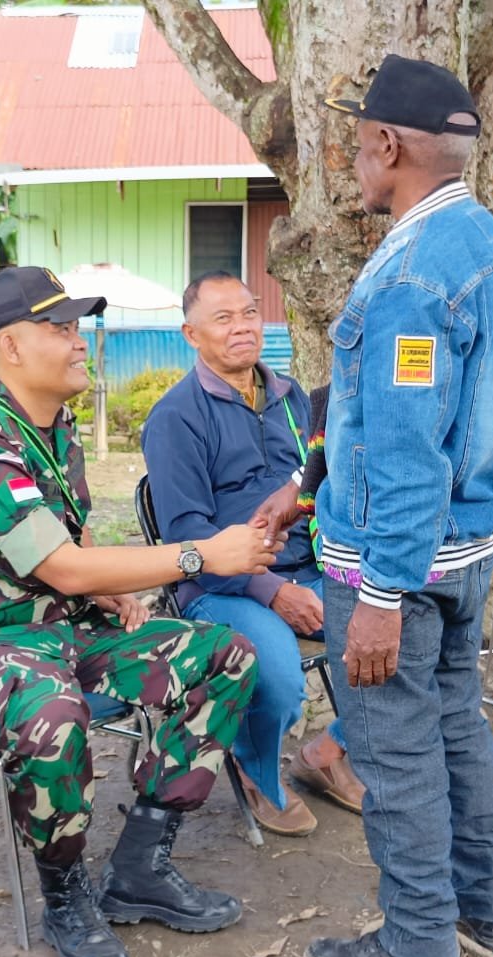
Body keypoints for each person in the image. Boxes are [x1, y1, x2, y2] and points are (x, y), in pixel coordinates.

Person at [0, 266, 283, 957]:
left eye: (77, 328)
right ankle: (64, 891)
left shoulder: (55, 425)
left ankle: (141, 862)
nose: (79, 344)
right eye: (60, 330)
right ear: (11, 347)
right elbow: (64, 567)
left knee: (224, 656)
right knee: (52, 713)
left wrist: (107, 590)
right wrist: (201, 556)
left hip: (59, 626)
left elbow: (67, 545)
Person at [256, 55, 493, 957]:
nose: (353, 162)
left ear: (384, 144)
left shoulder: (412, 277)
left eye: (356, 143)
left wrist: (380, 593)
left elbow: (409, 452)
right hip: (466, 551)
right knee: (457, 725)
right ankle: (488, 913)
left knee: (399, 758)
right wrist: (313, 491)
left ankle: (415, 945)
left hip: (396, 570)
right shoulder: (492, 246)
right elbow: (417, 426)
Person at [142, 271, 362, 836]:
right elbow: (186, 533)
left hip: (310, 565)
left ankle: (326, 753)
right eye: (223, 318)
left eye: (249, 312)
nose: (242, 327)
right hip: (220, 586)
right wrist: (273, 591)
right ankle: (257, 767)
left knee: (405, 637)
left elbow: (319, 479)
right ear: (191, 334)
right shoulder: (175, 418)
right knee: (279, 676)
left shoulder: (292, 397)